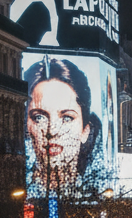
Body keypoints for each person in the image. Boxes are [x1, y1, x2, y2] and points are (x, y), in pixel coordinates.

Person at [23, 56, 102, 197]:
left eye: (67, 118)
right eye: (39, 117)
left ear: (85, 130)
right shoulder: (21, 191)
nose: (52, 130)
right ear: (27, 127)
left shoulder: (96, 190)